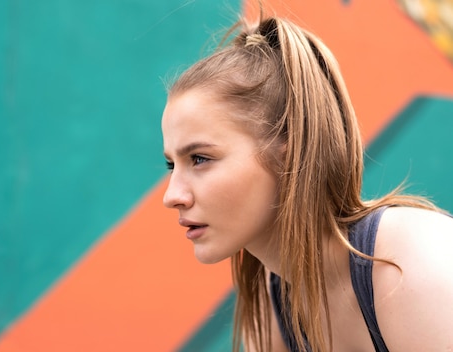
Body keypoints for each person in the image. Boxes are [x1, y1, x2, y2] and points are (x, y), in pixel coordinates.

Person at [161, 14, 453, 352]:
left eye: (199, 158)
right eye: (172, 165)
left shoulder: (410, 261)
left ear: (290, 150)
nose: (172, 196)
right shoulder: (274, 307)